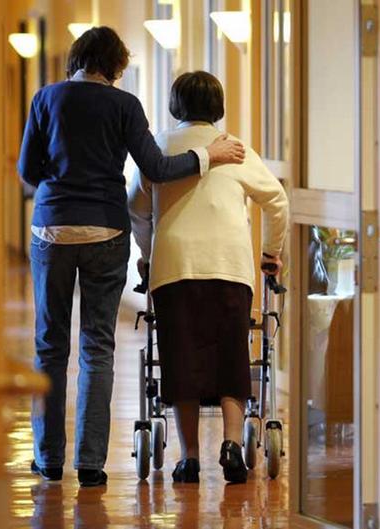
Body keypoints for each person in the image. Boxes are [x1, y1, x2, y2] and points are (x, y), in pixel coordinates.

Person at [17, 27, 246, 488]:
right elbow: (158, 169)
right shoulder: (123, 106)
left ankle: (47, 459)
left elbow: (27, 171)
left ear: (78, 59)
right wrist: (210, 154)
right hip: (104, 229)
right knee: (98, 346)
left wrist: (60, 179)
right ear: (116, 66)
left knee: (49, 345)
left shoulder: (45, 98)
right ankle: (90, 464)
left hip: (52, 229)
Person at [128, 71, 288, 484]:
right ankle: (232, 444)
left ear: (174, 105)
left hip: (175, 265)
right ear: (218, 107)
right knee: (232, 353)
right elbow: (277, 200)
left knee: (180, 357)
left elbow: (135, 205)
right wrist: (272, 253)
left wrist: (147, 253)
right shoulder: (236, 149)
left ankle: (190, 457)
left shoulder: (160, 147)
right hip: (230, 264)